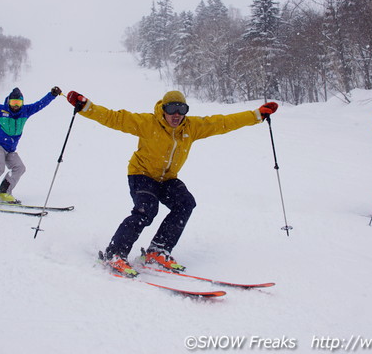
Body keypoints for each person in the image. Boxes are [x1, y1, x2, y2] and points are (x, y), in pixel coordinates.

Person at [65, 89, 278, 277]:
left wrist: (257, 115)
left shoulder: (192, 127)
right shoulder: (147, 123)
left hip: (167, 179)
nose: (176, 114)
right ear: (163, 108)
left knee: (186, 203)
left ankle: (158, 250)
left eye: (181, 109)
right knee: (146, 209)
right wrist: (86, 107)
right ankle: (115, 253)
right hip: (142, 174)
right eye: (172, 108)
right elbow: (114, 118)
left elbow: (223, 122)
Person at [0, 80, 62, 206]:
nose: (16, 105)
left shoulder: (26, 111)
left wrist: (52, 95)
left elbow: (40, 104)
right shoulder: (0, 111)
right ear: (8, 101)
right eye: (13, 102)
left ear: (22, 103)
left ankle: (3, 193)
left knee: (19, 168)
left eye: (18, 102)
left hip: (10, 149)